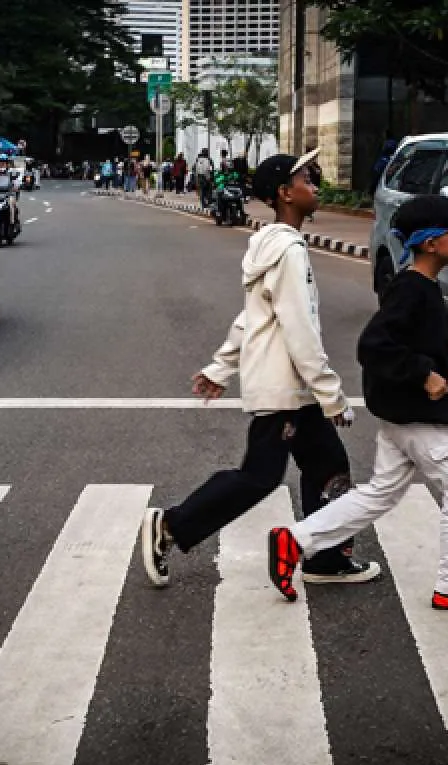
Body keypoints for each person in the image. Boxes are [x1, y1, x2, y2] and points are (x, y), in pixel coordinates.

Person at [139, 149, 380, 589]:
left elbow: (252, 317)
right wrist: (331, 394)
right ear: (285, 193)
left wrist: (221, 366)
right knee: (259, 477)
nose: (315, 184)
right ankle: (172, 526)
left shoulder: (270, 244)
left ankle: (325, 557)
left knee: (328, 464)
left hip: (290, 387)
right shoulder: (288, 251)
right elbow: (299, 328)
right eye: (307, 178)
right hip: (286, 388)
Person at [266, 195, 448, 614]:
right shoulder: (413, 289)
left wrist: (437, 371)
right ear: (432, 243)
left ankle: (298, 540)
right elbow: (374, 345)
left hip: (403, 416)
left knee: (381, 492)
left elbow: (401, 343)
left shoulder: (417, 286)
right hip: (422, 418)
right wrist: (424, 373)